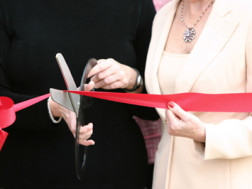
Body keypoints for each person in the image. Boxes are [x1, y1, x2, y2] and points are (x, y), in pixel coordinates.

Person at [0, 0, 158, 188]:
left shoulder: (136, 5)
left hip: (116, 171)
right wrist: (52, 108)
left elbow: (155, 109)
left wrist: (133, 80)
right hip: (28, 171)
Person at [144, 0, 252, 188]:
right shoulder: (162, 17)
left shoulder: (246, 13)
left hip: (224, 180)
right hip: (165, 178)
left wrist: (205, 134)